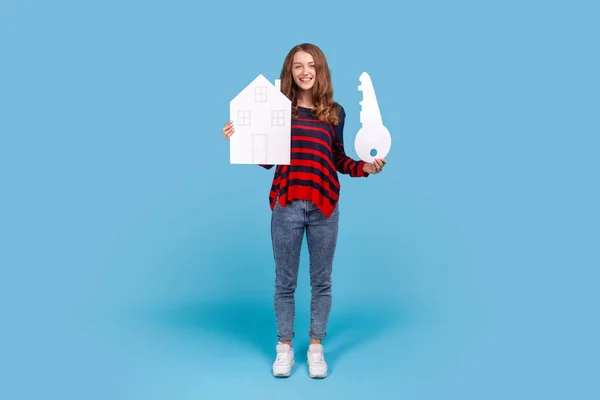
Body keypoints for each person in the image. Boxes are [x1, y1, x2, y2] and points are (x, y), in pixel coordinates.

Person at [222, 43, 386, 378]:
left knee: (321, 281)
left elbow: (338, 159)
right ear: (290, 71)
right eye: (298, 66)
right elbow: (268, 160)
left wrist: (364, 169)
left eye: (311, 65)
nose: (305, 71)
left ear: (320, 70)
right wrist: (240, 139)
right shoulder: (279, 110)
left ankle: (315, 347)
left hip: (325, 205)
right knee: (285, 282)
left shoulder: (335, 113)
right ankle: (284, 347)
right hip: (287, 205)